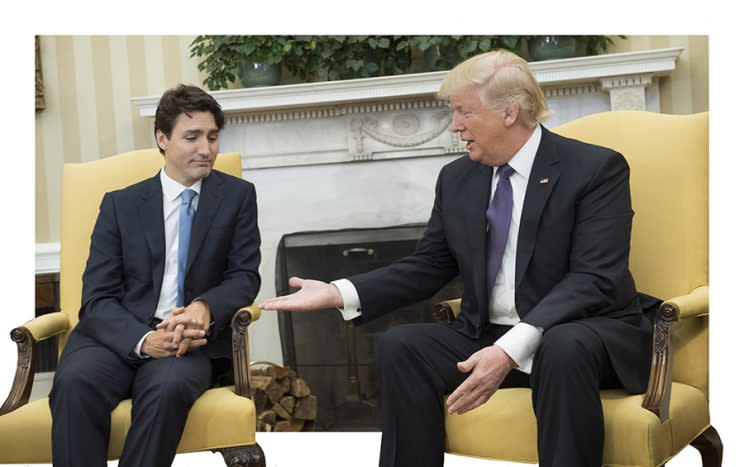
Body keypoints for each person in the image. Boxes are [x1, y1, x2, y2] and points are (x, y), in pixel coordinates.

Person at [260, 49, 657, 467]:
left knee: (562, 345)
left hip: (581, 333)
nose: (456, 126)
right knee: (403, 345)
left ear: (510, 112)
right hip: (488, 331)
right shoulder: (458, 178)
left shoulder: (595, 169)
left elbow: (593, 278)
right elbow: (429, 264)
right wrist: (339, 292)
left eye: (464, 112)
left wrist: (509, 350)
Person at [48, 84, 261, 467]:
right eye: (192, 137)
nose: (206, 149)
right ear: (162, 138)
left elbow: (244, 275)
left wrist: (205, 307)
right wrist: (143, 340)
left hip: (189, 342)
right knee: (75, 383)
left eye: (213, 137)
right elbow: (96, 298)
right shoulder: (120, 204)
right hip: (114, 339)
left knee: (167, 388)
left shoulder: (238, 197)